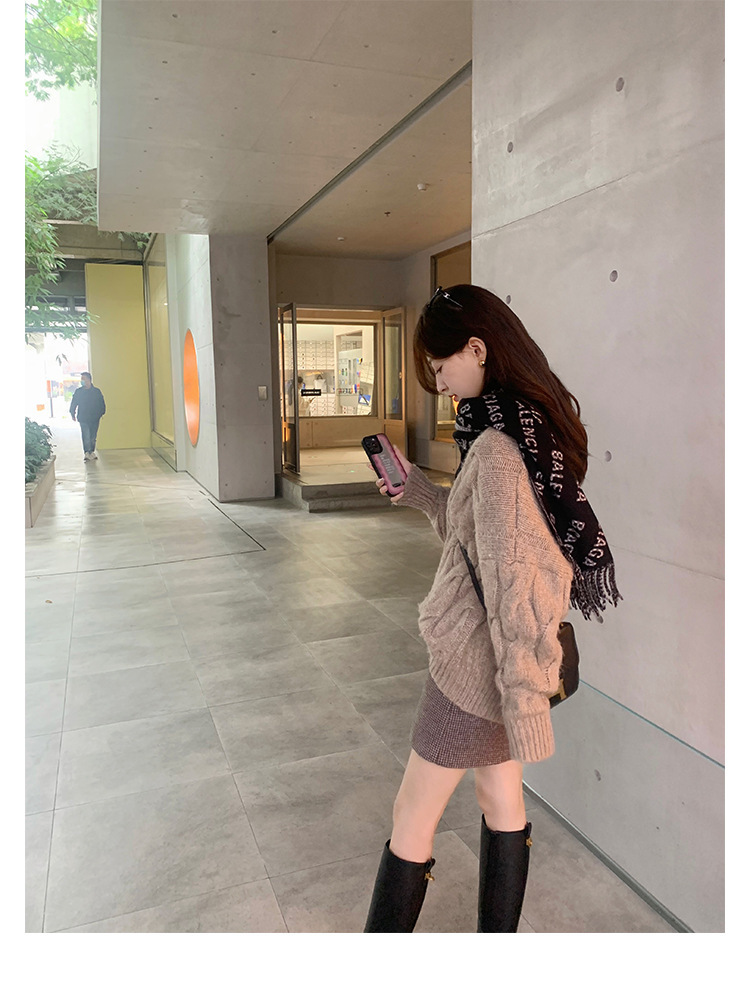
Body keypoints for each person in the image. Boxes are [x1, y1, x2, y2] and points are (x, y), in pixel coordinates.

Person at [363, 284, 621, 933]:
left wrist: (525, 706)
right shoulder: (518, 427)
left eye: (441, 365)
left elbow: (512, 588)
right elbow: (477, 542)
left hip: (474, 670)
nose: (439, 382)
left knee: (411, 816)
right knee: (500, 798)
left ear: (477, 349)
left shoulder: (499, 452)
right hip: (500, 672)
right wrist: (421, 492)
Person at [69, 372, 106, 462]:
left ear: (89, 380)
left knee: (93, 437)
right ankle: (86, 452)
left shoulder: (96, 392)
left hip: (94, 418)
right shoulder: (79, 392)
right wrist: (72, 413)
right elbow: (74, 403)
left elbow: (102, 403)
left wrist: (101, 413)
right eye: (81, 379)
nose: (82, 381)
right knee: (86, 436)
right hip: (83, 418)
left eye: (83, 379)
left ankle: (91, 452)